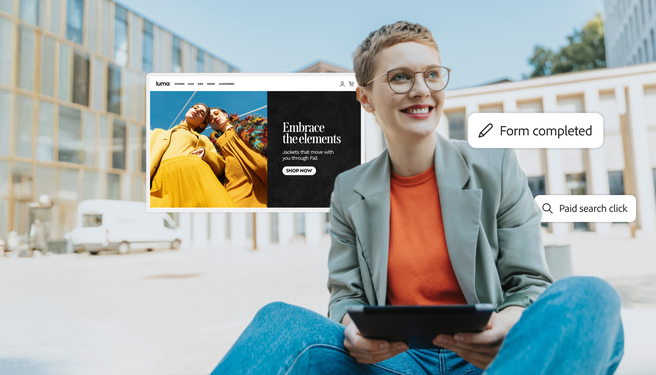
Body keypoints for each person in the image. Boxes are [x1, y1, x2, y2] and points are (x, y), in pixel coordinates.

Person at [211, 22, 623, 375]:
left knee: (591, 299)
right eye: (400, 77)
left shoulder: (495, 167)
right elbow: (345, 296)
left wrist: (510, 322)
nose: (421, 89)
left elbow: (529, 282)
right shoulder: (347, 189)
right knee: (278, 321)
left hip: (493, 359)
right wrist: (352, 330)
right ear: (366, 98)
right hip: (395, 362)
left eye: (432, 74)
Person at [149, 103, 237, 208]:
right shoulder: (157, 133)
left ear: (202, 125)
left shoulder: (203, 139)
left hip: (200, 178)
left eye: (201, 113)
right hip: (163, 181)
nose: (196, 110)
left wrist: (206, 154)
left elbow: (221, 166)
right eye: (195, 107)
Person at [208, 108, 268, 207]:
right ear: (211, 127)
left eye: (216, 113)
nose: (214, 117)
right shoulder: (213, 144)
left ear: (226, 114)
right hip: (238, 181)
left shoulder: (250, 124)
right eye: (210, 119)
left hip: (263, 166)